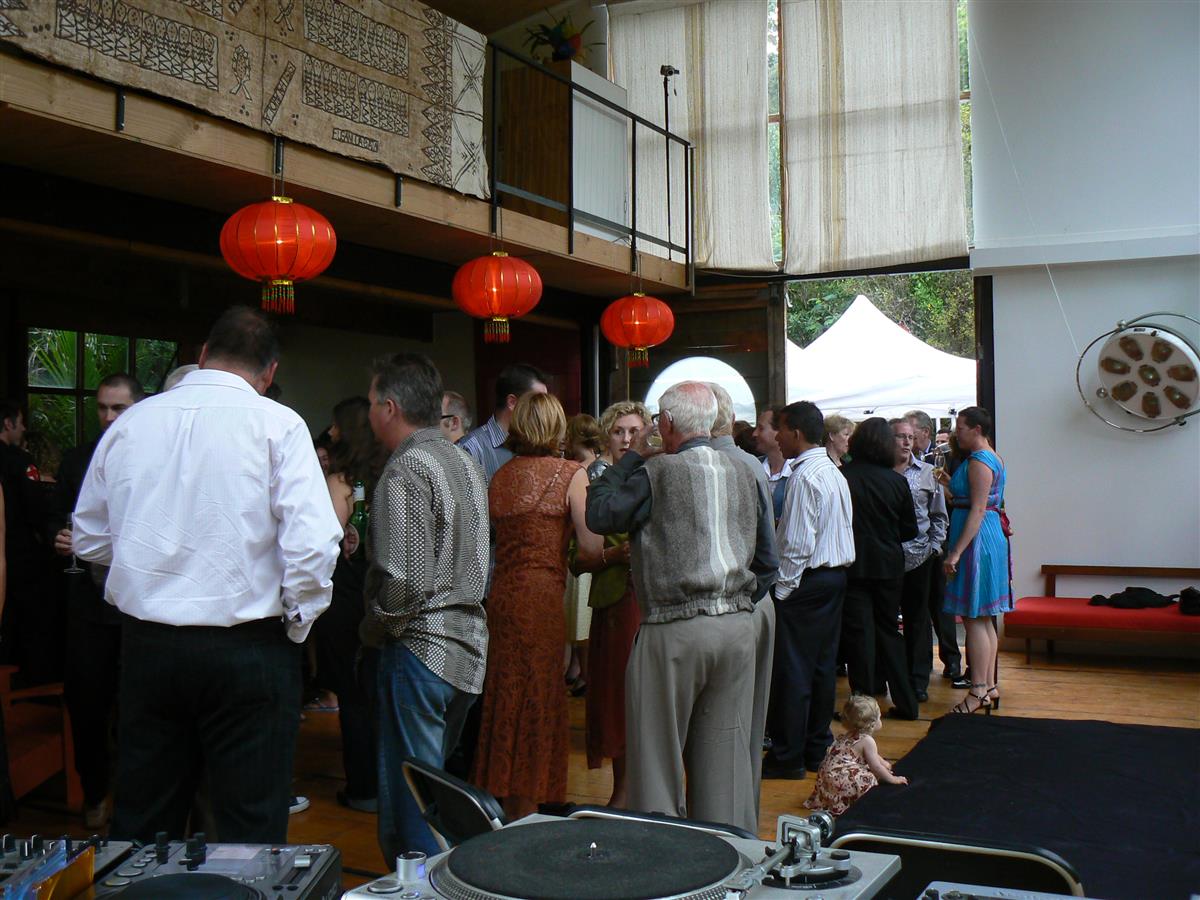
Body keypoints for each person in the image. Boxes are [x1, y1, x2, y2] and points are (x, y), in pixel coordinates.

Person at [72, 306, 342, 843]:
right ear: (269, 372)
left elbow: (89, 538)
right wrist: (297, 623)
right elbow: (313, 547)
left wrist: (145, 572)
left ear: (202, 355)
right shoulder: (278, 424)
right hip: (249, 647)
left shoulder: (132, 424)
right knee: (248, 825)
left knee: (144, 820)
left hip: (149, 647)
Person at [587, 382, 774, 834]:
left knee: (656, 759)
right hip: (735, 625)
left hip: (673, 627)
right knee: (725, 758)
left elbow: (600, 514)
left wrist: (630, 457)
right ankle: (730, 854)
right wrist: (736, 605)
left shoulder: (656, 472)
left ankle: (664, 855)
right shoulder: (745, 469)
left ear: (666, 423)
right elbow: (769, 562)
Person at [365, 352, 490, 860]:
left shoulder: (406, 469)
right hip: (466, 649)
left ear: (389, 408)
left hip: (421, 650)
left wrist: (375, 624)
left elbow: (405, 581)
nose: (369, 413)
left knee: (413, 805)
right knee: (435, 796)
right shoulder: (465, 460)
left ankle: (421, 889)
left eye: (371, 403)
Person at [472, 393, 603, 819]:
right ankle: (531, 802)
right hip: (543, 597)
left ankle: (508, 800)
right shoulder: (571, 474)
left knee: (507, 696)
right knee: (540, 696)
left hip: (503, 596)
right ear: (556, 427)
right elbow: (590, 547)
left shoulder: (500, 476)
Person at [51, 372, 144, 828]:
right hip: (87, 604)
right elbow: (57, 515)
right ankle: (94, 792)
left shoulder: (154, 456)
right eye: (103, 408)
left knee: (138, 709)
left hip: (137, 605)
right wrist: (58, 536)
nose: (108, 417)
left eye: (118, 408)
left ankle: (133, 802)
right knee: (86, 702)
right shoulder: (77, 460)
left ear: (138, 408)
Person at [763, 401, 855, 779]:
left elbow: (798, 544)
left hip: (807, 581)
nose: (775, 438)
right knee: (820, 668)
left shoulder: (803, 477)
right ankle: (817, 747)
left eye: (780, 430)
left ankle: (787, 756)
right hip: (833, 578)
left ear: (796, 433)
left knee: (793, 672)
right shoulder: (832, 470)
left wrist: (782, 592)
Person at [708, 384, 778, 818]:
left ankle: (726, 824)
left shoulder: (721, 464)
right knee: (746, 726)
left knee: (726, 725)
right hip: (754, 600)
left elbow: (766, 554)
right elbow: (769, 552)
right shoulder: (750, 463)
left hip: (739, 603)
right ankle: (741, 818)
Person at [315, 396, 386, 813]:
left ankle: (362, 787)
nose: (331, 432)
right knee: (377, 690)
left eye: (336, 425)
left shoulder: (340, 481)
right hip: (378, 593)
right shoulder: (388, 473)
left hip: (345, 595)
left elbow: (326, 540)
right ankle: (387, 784)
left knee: (353, 694)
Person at [583, 401, 649, 808]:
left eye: (634, 432)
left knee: (644, 693)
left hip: (649, 597)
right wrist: (616, 554)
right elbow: (582, 554)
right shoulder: (598, 478)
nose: (626, 439)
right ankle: (622, 788)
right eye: (619, 431)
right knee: (616, 693)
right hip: (614, 596)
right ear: (606, 435)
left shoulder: (652, 471)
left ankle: (641, 791)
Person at [839, 418, 920, 720]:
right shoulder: (896, 481)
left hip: (855, 565)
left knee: (859, 636)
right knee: (889, 632)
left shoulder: (844, 477)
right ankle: (907, 702)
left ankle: (862, 708)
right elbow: (910, 530)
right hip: (889, 566)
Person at [940, 406, 1010, 714]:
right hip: (985, 537)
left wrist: (955, 552)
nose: (957, 434)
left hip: (977, 541)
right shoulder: (990, 457)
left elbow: (978, 510)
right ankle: (989, 686)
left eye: (961, 428)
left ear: (977, 430)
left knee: (973, 616)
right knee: (982, 617)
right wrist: (948, 484)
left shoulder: (979, 461)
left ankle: (978, 689)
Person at [890, 418, 948, 704]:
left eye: (910, 437)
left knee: (918, 621)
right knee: (887, 621)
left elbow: (938, 515)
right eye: (900, 436)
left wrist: (935, 547)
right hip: (888, 558)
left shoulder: (927, 473)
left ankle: (918, 680)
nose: (906, 442)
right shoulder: (882, 472)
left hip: (920, 556)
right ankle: (891, 678)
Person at [0, 400, 54, 685]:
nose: (22, 429)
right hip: (19, 554)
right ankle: (30, 680)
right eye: (20, 423)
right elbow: (36, 511)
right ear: (8, 423)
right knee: (28, 617)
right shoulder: (19, 462)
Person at [804, 694, 907, 817]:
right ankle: (853, 799)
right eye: (879, 717)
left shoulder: (850, 733)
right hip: (841, 780)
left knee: (867, 768)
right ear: (872, 723)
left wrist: (883, 762)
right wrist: (893, 779)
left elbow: (872, 755)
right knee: (871, 777)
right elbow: (876, 767)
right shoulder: (867, 740)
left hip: (828, 777)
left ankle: (832, 799)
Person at [562, 414, 605, 696]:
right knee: (579, 621)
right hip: (585, 550)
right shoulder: (596, 466)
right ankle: (579, 671)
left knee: (582, 620)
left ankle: (587, 676)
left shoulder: (582, 471)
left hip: (583, 549)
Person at [459, 364, 550, 484]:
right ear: (512, 402)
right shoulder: (470, 449)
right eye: (537, 401)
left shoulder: (539, 445)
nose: (544, 409)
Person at [753, 407, 795, 524]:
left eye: (761, 428)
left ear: (779, 431)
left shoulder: (798, 471)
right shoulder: (753, 467)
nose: (754, 433)